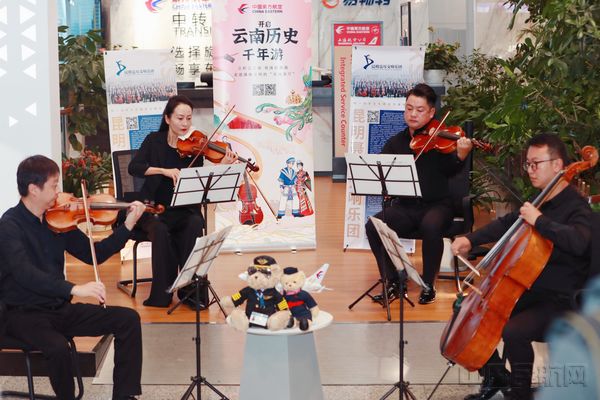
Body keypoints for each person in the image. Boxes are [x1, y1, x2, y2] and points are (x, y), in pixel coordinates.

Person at [452, 133, 593, 400]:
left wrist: (540, 221)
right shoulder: (542, 198)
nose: (530, 170)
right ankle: (495, 375)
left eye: (536, 163)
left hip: (563, 299)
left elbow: (578, 242)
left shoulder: (577, 208)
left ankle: (520, 394)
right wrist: (470, 239)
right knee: (467, 308)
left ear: (558, 165)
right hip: (531, 289)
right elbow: (509, 223)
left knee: (514, 330)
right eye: (528, 164)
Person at [0, 155, 147, 400]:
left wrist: (128, 226)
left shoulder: (58, 221)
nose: (59, 191)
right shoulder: (9, 226)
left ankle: (125, 396)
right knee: (58, 348)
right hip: (22, 314)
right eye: (54, 185)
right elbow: (26, 274)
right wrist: (73, 289)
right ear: (34, 189)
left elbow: (94, 254)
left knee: (127, 319)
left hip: (59, 309)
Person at [365, 83, 473, 305]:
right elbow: (382, 173)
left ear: (431, 113)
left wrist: (461, 156)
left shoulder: (441, 140)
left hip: (438, 204)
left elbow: (451, 171)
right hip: (406, 206)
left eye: (419, 110)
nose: (413, 114)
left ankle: (428, 284)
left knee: (431, 225)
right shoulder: (396, 142)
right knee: (373, 226)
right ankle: (394, 281)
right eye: (409, 108)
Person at [128, 95, 237, 307]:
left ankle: (191, 292)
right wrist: (163, 171)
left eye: (188, 118)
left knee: (194, 223)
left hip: (183, 209)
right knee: (160, 229)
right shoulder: (154, 140)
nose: (185, 123)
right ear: (167, 119)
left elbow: (201, 181)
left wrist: (222, 165)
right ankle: (163, 293)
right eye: (180, 118)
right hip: (154, 209)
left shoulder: (194, 146)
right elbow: (135, 168)